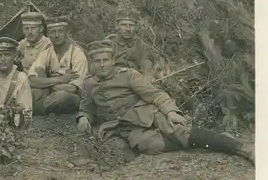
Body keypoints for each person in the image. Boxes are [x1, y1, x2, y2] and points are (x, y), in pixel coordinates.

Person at [75, 39, 255, 165]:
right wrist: (84, 118)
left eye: (106, 60)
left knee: (177, 131)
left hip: (147, 113)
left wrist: (170, 112)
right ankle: (209, 139)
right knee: (148, 146)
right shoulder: (89, 83)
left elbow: (154, 94)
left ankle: (241, 148)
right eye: (97, 61)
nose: (102, 64)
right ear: (92, 63)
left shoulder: (128, 75)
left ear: (113, 60)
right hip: (124, 126)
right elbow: (86, 108)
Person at [28, 16, 89, 115]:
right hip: (50, 93)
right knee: (33, 92)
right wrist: (60, 79)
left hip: (71, 96)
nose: (57, 35)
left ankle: (34, 109)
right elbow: (31, 80)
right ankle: (46, 107)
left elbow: (73, 88)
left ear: (67, 33)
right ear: (48, 35)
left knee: (62, 96)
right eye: (53, 32)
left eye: (60, 31)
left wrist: (45, 82)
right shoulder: (46, 53)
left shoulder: (77, 54)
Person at [106, 7, 151, 76]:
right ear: (117, 26)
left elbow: (146, 69)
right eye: (123, 25)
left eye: (131, 25)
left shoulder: (139, 45)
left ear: (136, 27)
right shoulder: (108, 43)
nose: (127, 29)